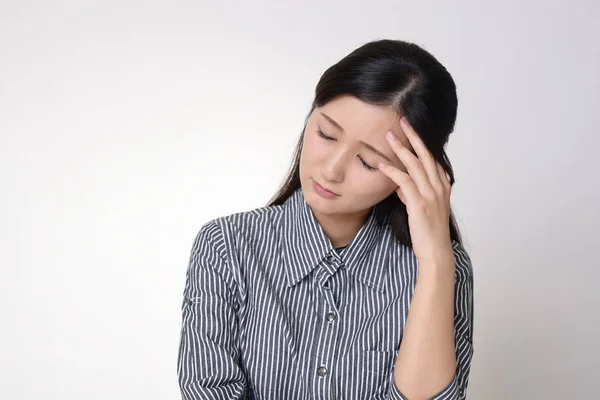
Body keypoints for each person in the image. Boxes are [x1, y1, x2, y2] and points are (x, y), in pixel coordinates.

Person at [177, 38, 474, 400]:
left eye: (368, 162)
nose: (331, 170)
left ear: (416, 173)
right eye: (326, 134)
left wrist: (436, 261)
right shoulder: (227, 247)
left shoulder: (443, 268)